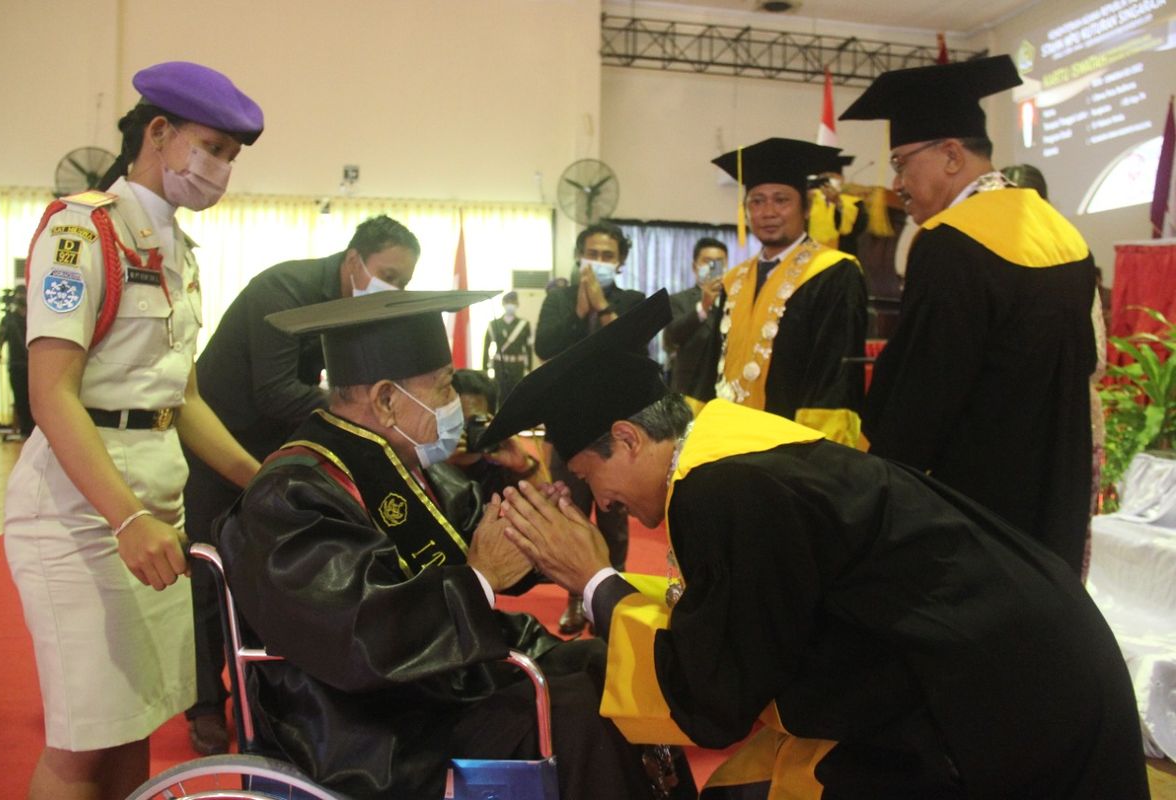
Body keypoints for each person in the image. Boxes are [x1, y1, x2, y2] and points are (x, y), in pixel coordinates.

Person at [484, 291, 1150, 800]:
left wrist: (596, 581)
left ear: (628, 439)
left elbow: (713, 695)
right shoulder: (732, 453)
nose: (601, 502)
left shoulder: (726, 489)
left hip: (1000, 708)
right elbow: (734, 616)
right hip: (1018, 663)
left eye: (590, 477)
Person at [213, 290, 688, 800]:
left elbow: (476, 526)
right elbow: (356, 635)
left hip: (436, 684)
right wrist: (480, 577)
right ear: (386, 400)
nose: (454, 404)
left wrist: (540, 526)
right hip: (365, 728)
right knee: (577, 713)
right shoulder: (290, 495)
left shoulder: (405, 464)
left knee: (606, 665)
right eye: (443, 386)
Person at [1, 62, 264, 800]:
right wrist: (126, 519)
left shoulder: (176, 248)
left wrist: (261, 476)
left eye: (231, 157)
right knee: (82, 745)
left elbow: (182, 398)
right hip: (80, 517)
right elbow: (51, 394)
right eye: (213, 148)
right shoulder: (81, 231)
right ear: (158, 132)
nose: (221, 170)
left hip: (155, 509)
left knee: (134, 724)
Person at [840, 55, 1098, 573]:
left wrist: (875, 486)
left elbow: (924, 389)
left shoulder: (950, 243)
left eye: (901, 163)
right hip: (1053, 499)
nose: (897, 184)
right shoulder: (1063, 234)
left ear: (952, 155)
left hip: (974, 506)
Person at [181, 213, 419, 754]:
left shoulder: (355, 306)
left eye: (405, 282)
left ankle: (265, 694)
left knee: (271, 577)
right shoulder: (283, 290)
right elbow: (275, 392)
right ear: (354, 261)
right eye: (390, 276)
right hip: (217, 444)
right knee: (210, 580)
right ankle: (205, 704)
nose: (395, 290)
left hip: (279, 452)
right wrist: (357, 413)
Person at [709, 138, 869, 447]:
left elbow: (834, 375)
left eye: (781, 200)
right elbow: (710, 367)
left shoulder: (834, 273)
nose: (768, 212)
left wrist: (811, 453)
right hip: (728, 441)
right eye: (757, 201)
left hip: (792, 447)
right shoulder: (734, 280)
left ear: (806, 208)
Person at [535, 222, 642, 633]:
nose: (598, 262)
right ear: (579, 257)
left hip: (616, 432)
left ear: (621, 261)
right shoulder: (558, 299)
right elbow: (545, 347)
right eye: (592, 254)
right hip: (567, 426)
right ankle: (575, 599)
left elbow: (630, 350)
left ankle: (613, 599)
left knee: (613, 519)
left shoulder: (631, 301)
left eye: (607, 256)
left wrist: (601, 305)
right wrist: (580, 311)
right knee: (571, 514)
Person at [445, 367, 545, 502]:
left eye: (475, 422)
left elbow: (547, 507)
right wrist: (442, 468)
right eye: (456, 422)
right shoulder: (426, 466)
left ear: (491, 421)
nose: (464, 432)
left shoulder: (500, 463)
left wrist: (523, 466)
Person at [662, 236, 727, 400]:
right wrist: (703, 307)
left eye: (719, 263)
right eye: (707, 262)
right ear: (695, 266)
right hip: (689, 388)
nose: (713, 267)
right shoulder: (678, 300)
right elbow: (671, 337)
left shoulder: (734, 301)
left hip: (724, 389)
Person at [0, 285, 33, 438]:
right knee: (20, 399)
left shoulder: (33, 318)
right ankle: (25, 430)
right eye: (20, 295)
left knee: (34, 399)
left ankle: (33, 430)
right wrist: (2, 329)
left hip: (33, 366)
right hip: (16, 365)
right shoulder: (9, 319)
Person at [482, 290, 533, 400]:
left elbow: (529, 348)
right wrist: (484, 369)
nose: (510, 305)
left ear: (517, 304)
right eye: (508, 302)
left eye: (513, 302)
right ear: (503, 304)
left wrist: (529, 368)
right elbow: (486, 347)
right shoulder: (493, 324)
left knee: (517, 396)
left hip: (517, 366)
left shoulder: (524, 324)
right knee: (500, 396)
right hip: (500, 365)